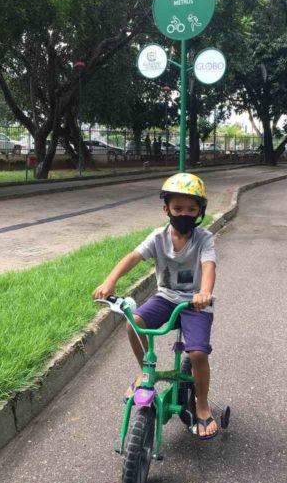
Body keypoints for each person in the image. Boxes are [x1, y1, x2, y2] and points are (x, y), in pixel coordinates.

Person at [93, 173, 218, 439]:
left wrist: (205, 292)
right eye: (178, 209)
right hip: (166, 297)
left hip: (196, 302)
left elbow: (209, 267)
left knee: (197, 354)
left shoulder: (204, 239)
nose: (184, 214)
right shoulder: (157, 238)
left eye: (191, 210)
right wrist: (110, 281)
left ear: (200, 212)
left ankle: (203, 404)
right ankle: (144, 373)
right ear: (166, 210)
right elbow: (133, 257)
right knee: (133, 324)